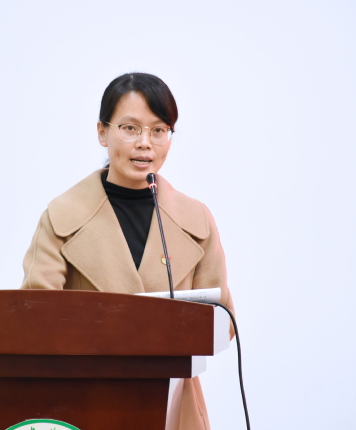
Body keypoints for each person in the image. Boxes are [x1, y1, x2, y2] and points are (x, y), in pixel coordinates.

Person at [20, 72, 235, 430]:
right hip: (84, 404)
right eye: (130, 128)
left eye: (159, 130)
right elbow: (33, 321)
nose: (145, 143)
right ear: (102, 132)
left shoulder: (196, 220)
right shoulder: (61, 217)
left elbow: (224, 322)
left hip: (173, 408)